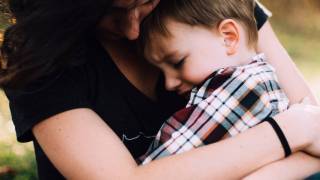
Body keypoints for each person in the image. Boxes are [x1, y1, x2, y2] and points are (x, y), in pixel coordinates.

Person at [0, 0, 319, 179]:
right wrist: (289, 131)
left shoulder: (218, 10)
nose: (132, 30)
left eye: (144, 2)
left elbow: (316, 142)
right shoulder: (38, 57)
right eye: (109, 12)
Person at [138, 0, 290, 164]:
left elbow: (164, 162)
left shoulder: (243, 88)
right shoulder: (261, 78)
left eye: (177, 62)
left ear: (228, 38)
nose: (168, 84)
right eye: (161, 72)